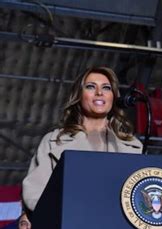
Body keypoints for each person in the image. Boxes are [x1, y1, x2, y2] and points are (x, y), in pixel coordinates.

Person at [22, 66, 143, 212]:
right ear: (78, 95)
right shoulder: (53, 140)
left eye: (106, 88)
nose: (99, 93)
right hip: (70, 225)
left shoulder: (134, 146)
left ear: (114, 96)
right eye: (91, 87)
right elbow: (34, 192)